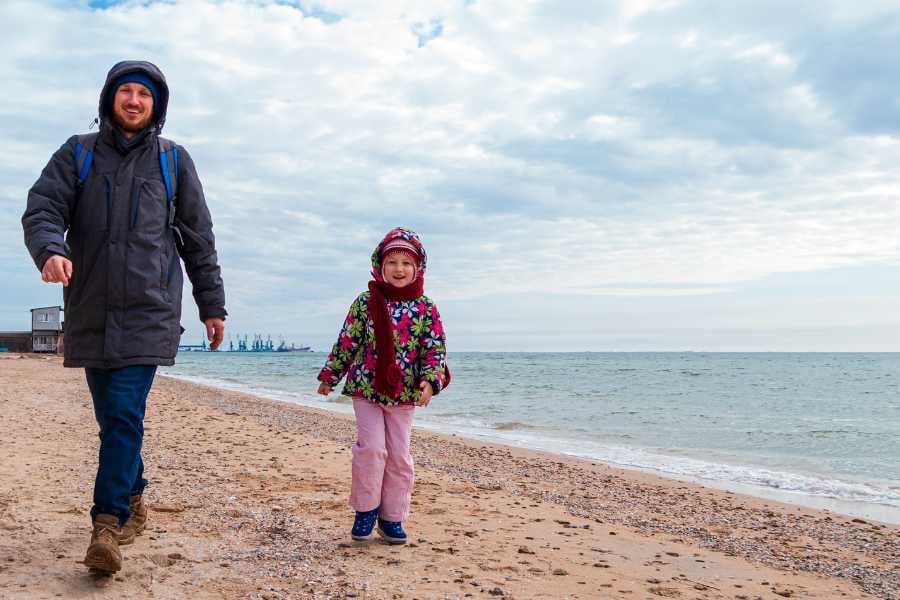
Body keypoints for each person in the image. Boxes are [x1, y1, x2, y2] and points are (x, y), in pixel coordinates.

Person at [22, 60, 227, 573]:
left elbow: (198, 239)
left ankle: (106, 525)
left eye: (144, 94)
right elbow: (43, 208)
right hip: (90, 308)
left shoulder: (173, 161)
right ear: (109, 98)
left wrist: (212, 305)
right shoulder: (79, 153)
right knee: (113, 419)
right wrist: (49, 249)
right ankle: (134, 495)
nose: (134, 100)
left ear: (156, 105)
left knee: (121, 414)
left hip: (150, 312)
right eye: (126, 91)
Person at [317, 227, 450, 544]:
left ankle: (391, 517)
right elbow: (347, 342)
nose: (399, 269)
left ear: (418, 268)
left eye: (406, 262)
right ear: (380, 265)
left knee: (399, 456)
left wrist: (430, 382)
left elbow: (434, 349)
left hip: (404, 395)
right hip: (366, 389)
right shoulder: (365, 302)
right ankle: (365, 511)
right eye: (392, 262)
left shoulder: (425, 307)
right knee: (373, 450)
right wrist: (330, 375)